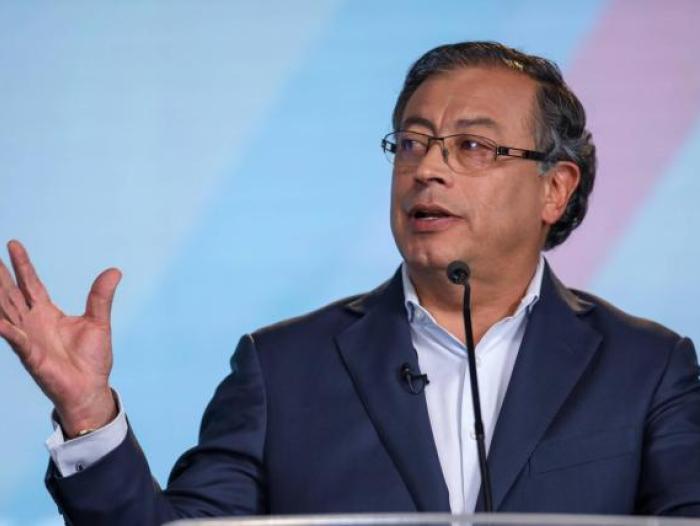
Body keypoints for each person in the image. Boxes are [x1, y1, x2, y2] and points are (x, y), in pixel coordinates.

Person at [1, 41, 699, 525]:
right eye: (413, 143)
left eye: (472, 147)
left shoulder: (648, 368)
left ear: (555, 188)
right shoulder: (282, 369)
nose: (428, 169)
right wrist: (88, 416)